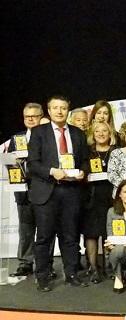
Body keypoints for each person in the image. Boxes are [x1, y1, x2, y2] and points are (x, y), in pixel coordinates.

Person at [28, 95, 90, 291]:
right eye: (55, 108)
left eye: (63, 108)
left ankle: (71, 273)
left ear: (68, 110)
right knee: (45, 236)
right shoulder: (38, 132)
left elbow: (85, 161)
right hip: (46, 191)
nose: (59, 111)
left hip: (71, 191)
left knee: (70, 236)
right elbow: (32, 164)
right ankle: (43, 276)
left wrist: (83, 172)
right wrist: (51, 171)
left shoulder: (78, 134)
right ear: (49, 110)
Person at [7, 103, 55, 278]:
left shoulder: (49, 137)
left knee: (46, 229)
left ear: (42, 116)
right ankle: (25, 263)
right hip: (23, 192)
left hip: (44, 189)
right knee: (26, 229)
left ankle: (46, 264)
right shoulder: (16, 138)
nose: (31, 120)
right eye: (28, 117)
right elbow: (9, 162)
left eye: (35, 116)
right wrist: (13, 161)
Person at [82, 121, 118, 283]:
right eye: (98, 131)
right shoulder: (87, 151)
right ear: (93, 134)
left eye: (105, 131)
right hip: (90, 198)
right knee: (91, 234)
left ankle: (109, 267)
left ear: (110, 134)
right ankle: (94, 268)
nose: (101, 133)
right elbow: (81, 169)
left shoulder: (116, 152)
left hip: (111, 198)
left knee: (108, 234)